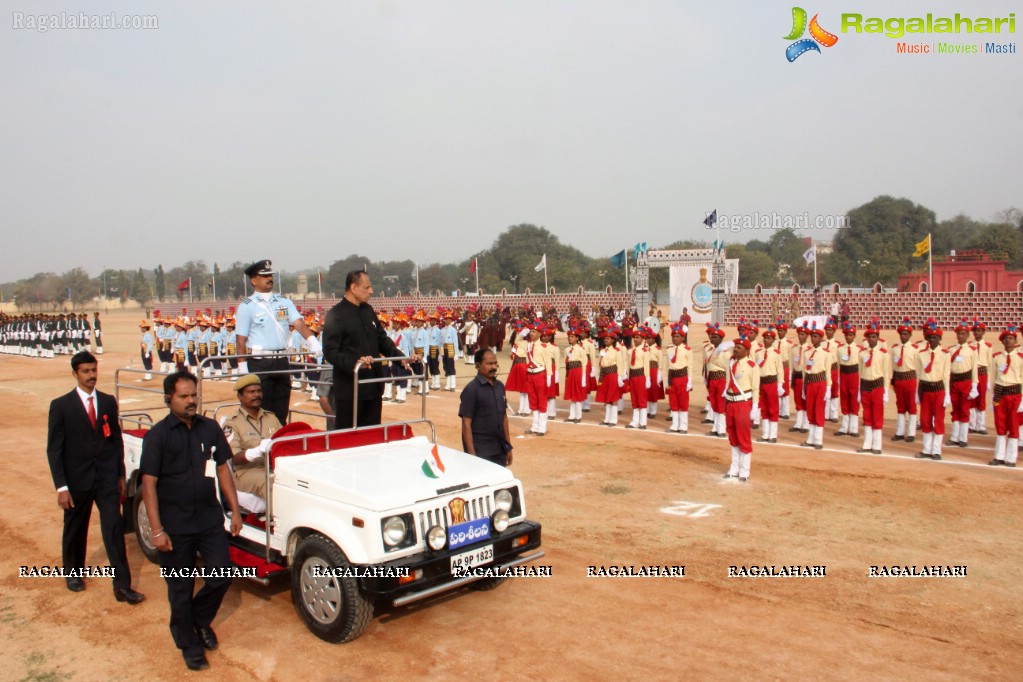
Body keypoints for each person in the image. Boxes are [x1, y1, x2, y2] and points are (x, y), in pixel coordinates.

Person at [140, 372, 243, 671]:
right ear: (167, 399)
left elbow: (223, 469)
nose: (190, 401)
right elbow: (149, 485)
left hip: (209, 521)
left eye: (193, 395)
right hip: (175, 528)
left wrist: (234, 511)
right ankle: (189, 644)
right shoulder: (158, 436)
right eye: (183, 396)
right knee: (180, 589)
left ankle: (199, 621)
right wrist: (156, 530)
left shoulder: (210, 428)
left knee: (222, 575)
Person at [45, 351, 143, 603]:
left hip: (106, 479)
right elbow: (54, 449)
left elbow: (116, 441)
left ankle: (122, 585)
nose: (91, 376)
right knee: (76, 527)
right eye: (86, 371)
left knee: (114, 528)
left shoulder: (108, 401)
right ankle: (73, 573)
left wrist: (121, 474)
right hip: (77, 481)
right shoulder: (61, 406)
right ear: (75, 374)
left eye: (93, 370)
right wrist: (62, 487)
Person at [321, 270, 413, 429]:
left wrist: (400, 358)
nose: (371, 291)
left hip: (373, 387)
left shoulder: (368, 311)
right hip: (351, 390)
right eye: (367, 287)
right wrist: (354, 363)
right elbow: (330, 351)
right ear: (354, 287)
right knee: (350, 439)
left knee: (372, 437)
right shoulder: (336, 314)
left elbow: (382, 339)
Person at [235, 259, 322, 424]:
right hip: (260, 362)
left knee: (281, 407)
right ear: (254, 280)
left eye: (270, 275)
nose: (269, 278)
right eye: (264, 275)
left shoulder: (284, 302)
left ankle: (279, 442)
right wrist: (242, 367)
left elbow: (298, 323)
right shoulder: (247, 306)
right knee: (262, 407)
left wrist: (312, 340)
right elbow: (241, 339)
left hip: (281, 361)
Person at [222, 374, 282, 508]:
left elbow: (284, 441)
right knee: (272, 483)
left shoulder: (271, 417)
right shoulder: (232, 423)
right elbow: (233, 458)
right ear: (240, 396)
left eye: (259, 391)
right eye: (251, 392)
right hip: (247, 472)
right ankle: (280, 525)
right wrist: (256, 451)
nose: (256, 395)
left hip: (273, 466)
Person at [459, 349, 514, 466]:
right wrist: (471, 455)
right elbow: (466, 423)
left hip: (499, 449)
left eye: (495, 363)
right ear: (478, 365)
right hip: (481, 451)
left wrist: (508, 447)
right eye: (489, 364)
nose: (493, 367)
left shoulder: (500, 387)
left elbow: (504, 417)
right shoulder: (471, 390)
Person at [722, 335, 760, 482]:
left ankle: (745, 470)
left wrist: (755, 407)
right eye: (735, 347)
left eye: (739, 348)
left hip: (743, 403)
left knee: (743, 436)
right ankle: (734, 467)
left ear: (746, 350)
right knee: (733, 436)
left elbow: (756, 388)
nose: (736, 350)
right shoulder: (731, 363)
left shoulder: (752, 366)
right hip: (731, 402)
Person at [915, 321, 952, 460]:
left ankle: (936, 450)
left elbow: (946, 374)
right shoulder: (921, 354)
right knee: (925, 420)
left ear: (939, 339)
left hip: (938, 390)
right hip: (925, 389)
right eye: (930, 337)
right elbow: (918, 374)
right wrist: (917, 393)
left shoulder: (945, 354)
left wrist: (947, 394)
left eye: (935, 337)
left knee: (938, 420)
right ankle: (926, 449)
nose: (932, 340)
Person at [989, 326, 1023, 467]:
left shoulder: (1021, 358)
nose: (1008, 341)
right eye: (1006, 339)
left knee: (1014, 426)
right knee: (1000, 425)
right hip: (1000, 394)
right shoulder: (996, 357)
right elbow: (993, 377)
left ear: (1015, 340)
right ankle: (999, 456)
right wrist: (993, 397)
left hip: (1015, 394)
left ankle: (1011, 458)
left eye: (1011, 338)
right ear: (1002, 342)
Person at [856, 322, 890, 455]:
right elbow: (860, 372)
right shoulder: (862, 354)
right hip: (865, 386)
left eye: (874, 337)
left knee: (877, 415)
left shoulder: (883, 354)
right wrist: (859, 390)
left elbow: (886, 373)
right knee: (867, 415)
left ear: (878, 338)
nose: (871, 339)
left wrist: (886, 391)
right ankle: (866, 443)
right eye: (869, 337)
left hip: (877, 386)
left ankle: (877, 445)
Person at [947, 319, 980, 448]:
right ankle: (954, 436)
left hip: (966, 381)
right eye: (959, 333)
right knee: (955, 410)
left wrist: (974, 386)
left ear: (967, 335)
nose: (960, 336)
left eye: (963, 334)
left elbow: (974, 369)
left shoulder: (972, 350)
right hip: (954, 381)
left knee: (965, 409)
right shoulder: (951, 349)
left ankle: (963, 438)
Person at [800, 324, 833, 450]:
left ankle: (818, 439)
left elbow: (828, 372)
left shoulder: (826, 353)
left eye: (815, 337)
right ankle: (810, 438)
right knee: (810, 410)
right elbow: (804, 371)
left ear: (820, 338)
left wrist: (829, 388)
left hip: (820, 382)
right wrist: (804, 388)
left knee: (818, 410)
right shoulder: (807, 352)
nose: (813, 339)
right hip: (810, 383)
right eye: (812, 337)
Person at [891, 318, 920, 443]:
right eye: (902, 334)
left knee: (912, 406)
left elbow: (918, 367)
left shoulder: (915, 349)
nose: (903, 336)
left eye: (906, 334)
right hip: (899, 379)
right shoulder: (895, 348)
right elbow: (894, 365)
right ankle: (900, 431)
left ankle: (911, 433)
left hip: (910, 379)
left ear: (910, 335)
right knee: (901, 406)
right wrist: (893, 379)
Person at [663, 323, 692, 434]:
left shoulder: (687, 350)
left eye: (677, 336)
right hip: (672, 377)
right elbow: (667, 365)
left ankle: (683, 426)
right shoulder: (669, 349)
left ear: (683, 338)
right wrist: (666, 378)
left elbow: (690, 365)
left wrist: (689, 379)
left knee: (683, 401)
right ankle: (675, 425)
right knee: (673, 401)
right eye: (673, 336)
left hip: (682, 377)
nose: (675, 338)